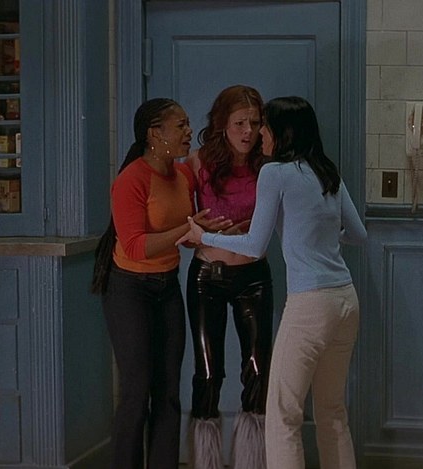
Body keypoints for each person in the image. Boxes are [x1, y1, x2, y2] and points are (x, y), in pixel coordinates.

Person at [177, 96, 367, 469]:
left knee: (283, 416)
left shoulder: (275, 173)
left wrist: (204, 237)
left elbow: (254, 245)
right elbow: (358, 235)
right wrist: (322, 237)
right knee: (332, 411)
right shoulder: (327, 171)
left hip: (310, 306)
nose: (259, 132)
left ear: (282, 132)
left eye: (264, 124)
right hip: (345, 300)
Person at [90, 98, 231, 469]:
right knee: (136, 392)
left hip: (167, 287)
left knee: (168, 392)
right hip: (128, 289)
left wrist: (204, 233)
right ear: (155, 134)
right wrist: (189, 228)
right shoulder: (130, 180)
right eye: (180, 125)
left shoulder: (183, 175)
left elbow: (183, 236)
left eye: (187, 124)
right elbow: (136, 246)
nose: (189, 131)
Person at [185, 84, 273, 469]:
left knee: (257, 366)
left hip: (253, 276)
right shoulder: (196, 162)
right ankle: (205, 459)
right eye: (239, 123)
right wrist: (198, 230)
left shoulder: (269, 166)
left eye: (254, 122)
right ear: (222, 124)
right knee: (208, 370)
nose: (248, 131)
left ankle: (252, 459)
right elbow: (182, 228)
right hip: (208, 276)